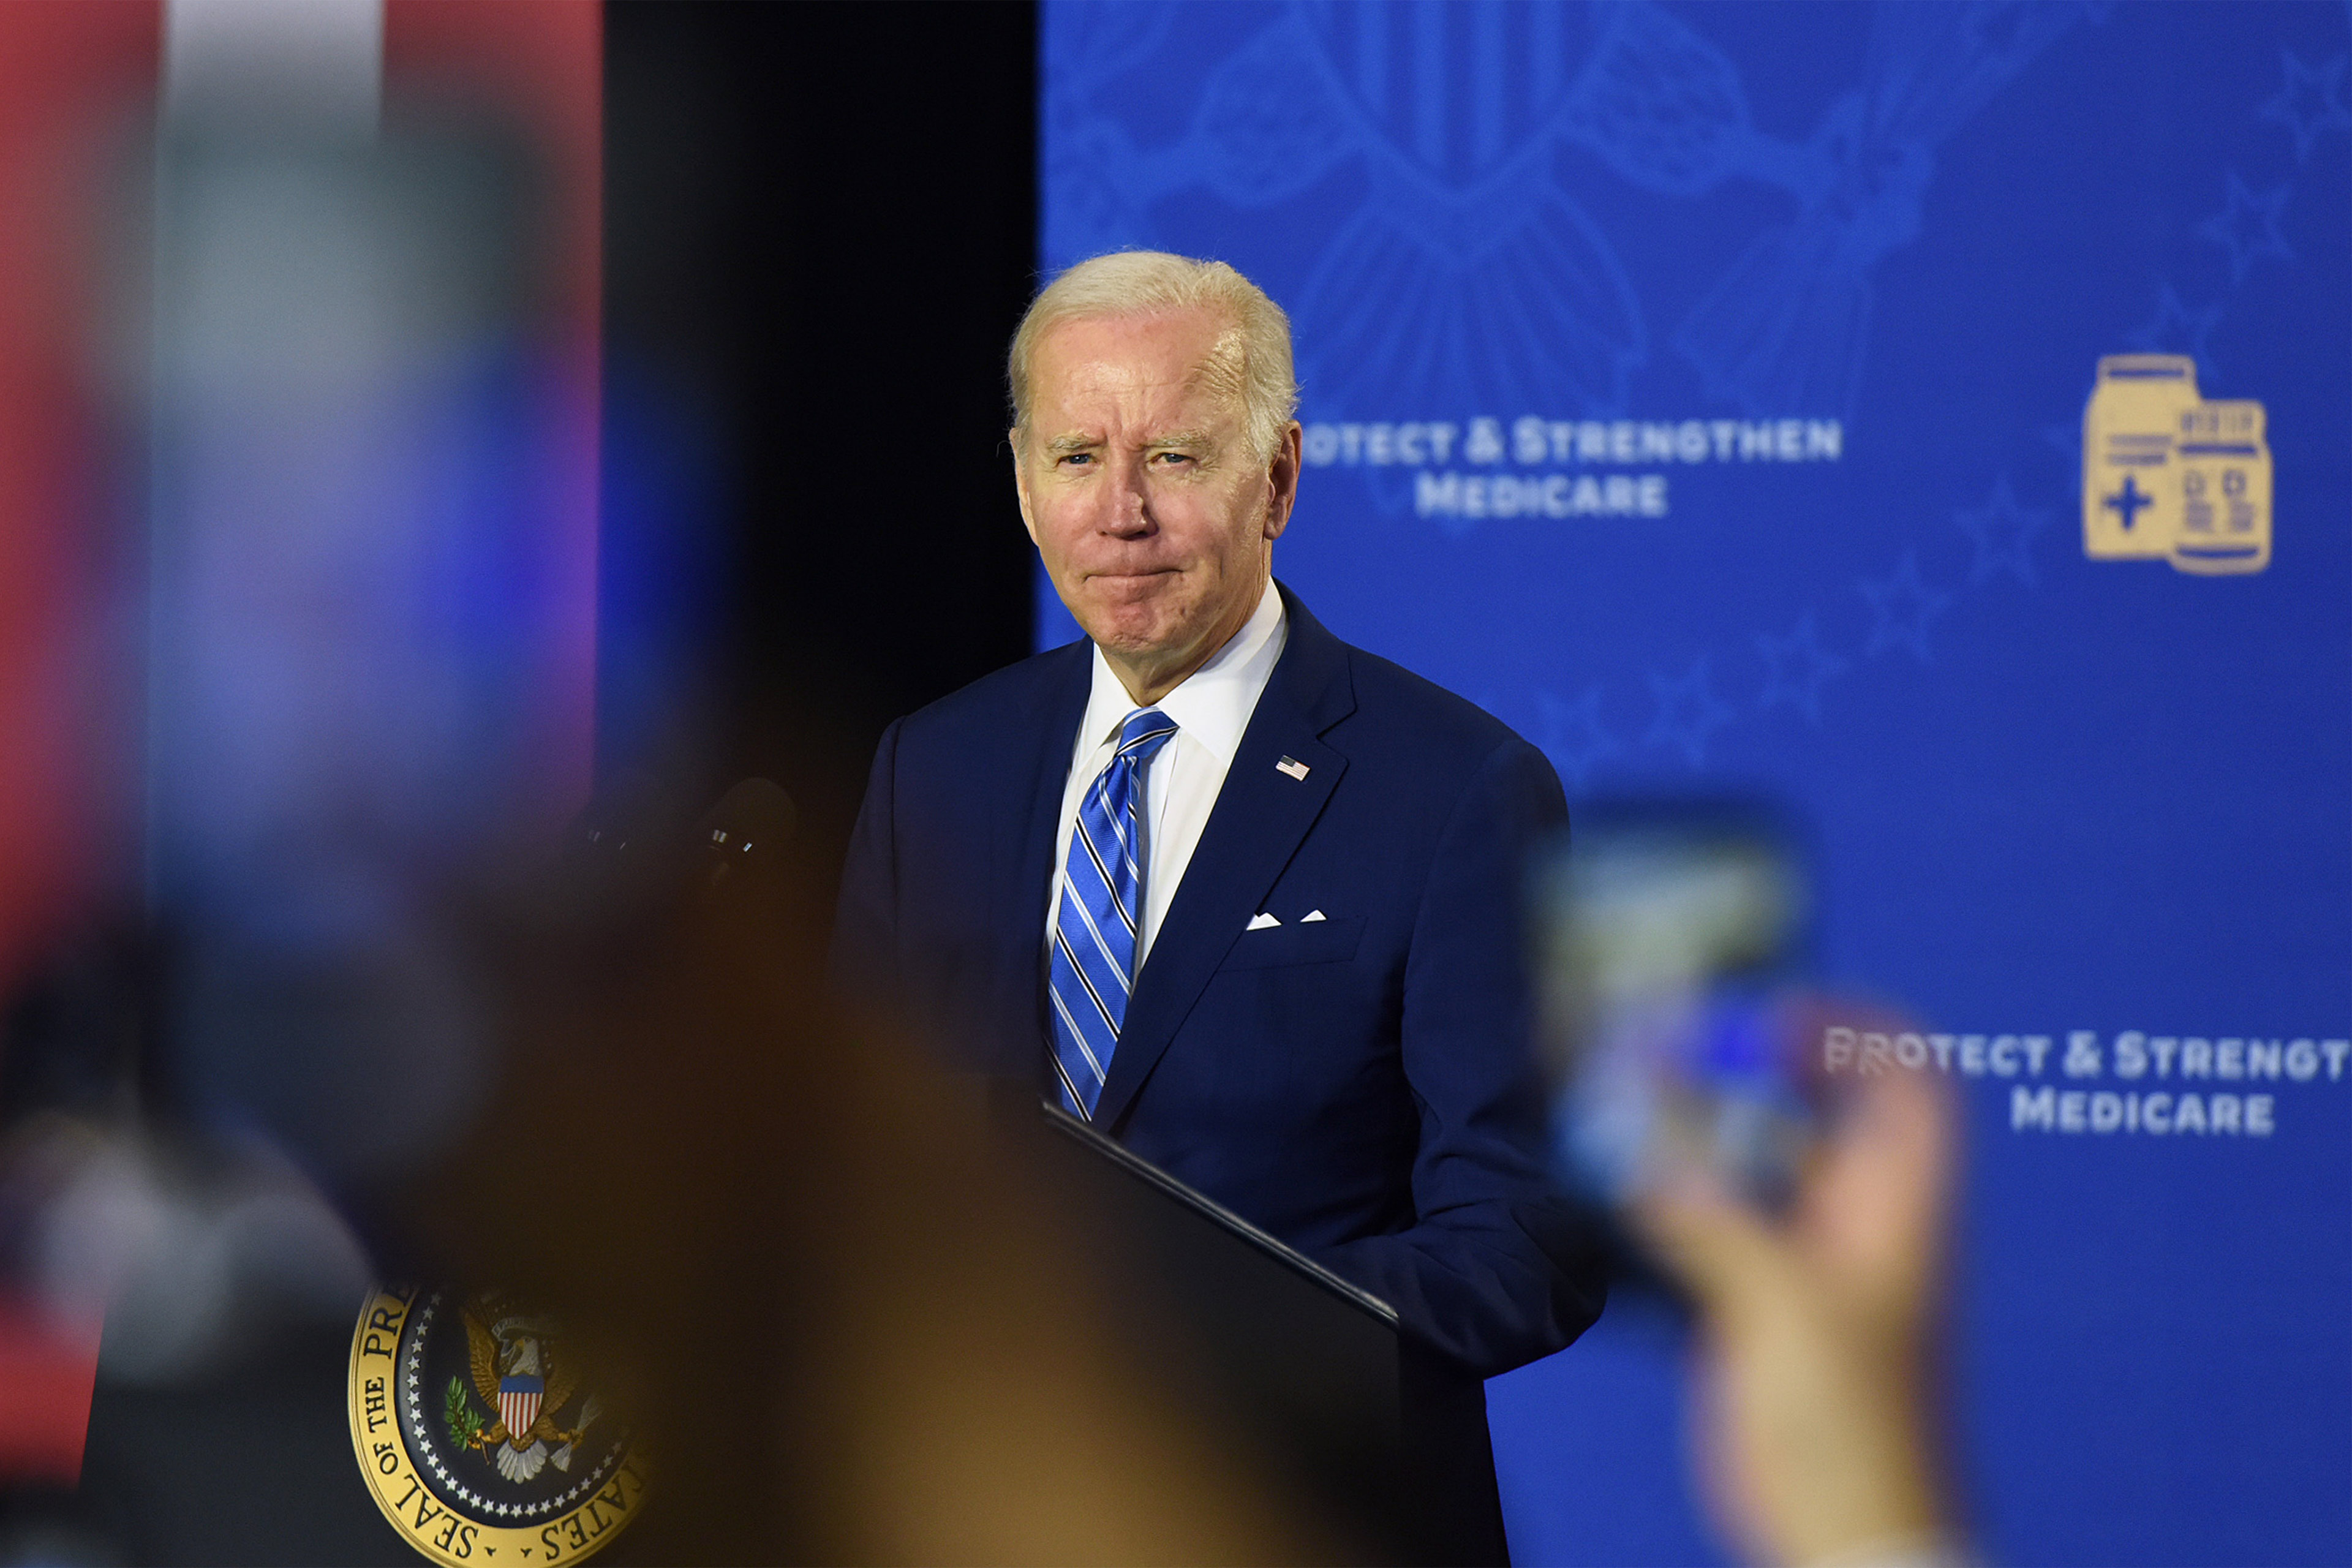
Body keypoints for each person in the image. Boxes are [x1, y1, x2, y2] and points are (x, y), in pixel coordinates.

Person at [831, 251, 1603, 1555]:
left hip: (1305, 1514)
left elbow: (1533, 1232)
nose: (1119, 511)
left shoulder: (1458, 790)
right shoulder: (932, 767)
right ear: (1023, 482)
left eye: (1176, 458)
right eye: (1078, 457)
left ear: (1280, 477)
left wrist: (1225, 1328)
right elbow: (844, 1163)